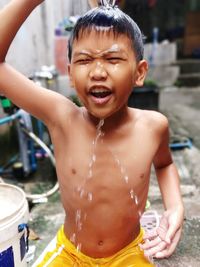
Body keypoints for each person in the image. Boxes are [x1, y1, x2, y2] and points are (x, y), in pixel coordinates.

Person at [0, 0, 184, 266]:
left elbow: (165, 164)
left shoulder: (153, 126)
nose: (98, 72)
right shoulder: (61, 117)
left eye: (113, 58)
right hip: (70, 252)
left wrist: (175, 206)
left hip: (129, 251)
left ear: (140, 72)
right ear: (71, 74)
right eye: (85, 60)